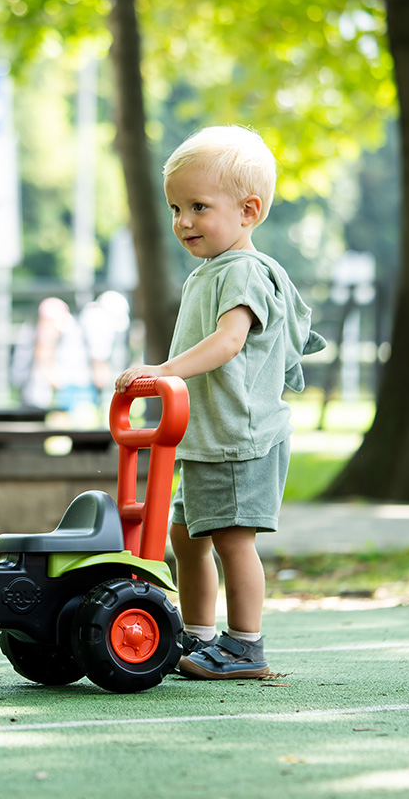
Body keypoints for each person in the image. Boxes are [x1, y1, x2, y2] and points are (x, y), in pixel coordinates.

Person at [115, 125, 325, 679]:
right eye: (176, 208)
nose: (183, 221)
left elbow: (230, 342)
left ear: (249, 210)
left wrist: (160, 371)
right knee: (185, 537)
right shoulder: (211, 272)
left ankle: (244, 644)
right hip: (209, 437)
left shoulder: (245, 271)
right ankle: (198, 634)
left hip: (240, 437)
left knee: (232, 541)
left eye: (199, 207)